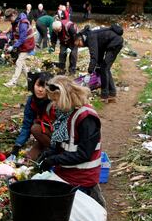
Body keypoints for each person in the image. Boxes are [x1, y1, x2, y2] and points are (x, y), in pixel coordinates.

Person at [35, 76, 105, 206]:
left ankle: (91, 193)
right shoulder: (65, 114)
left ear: (65, 97)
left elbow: (84, 154)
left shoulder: (87, 118)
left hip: (83, 175)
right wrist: (48, 153)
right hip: (66, 171)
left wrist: (54, 160)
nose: (54, 105)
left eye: (55, 100)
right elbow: (62, 144)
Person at [7, 72, 54, 162]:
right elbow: (26, 125)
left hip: (58, 136)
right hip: (46, 135)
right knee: (30, 158)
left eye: (44, 87)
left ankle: (56, 151)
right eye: (38, 85)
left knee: (36, 128)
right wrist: (17, 146)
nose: (40, 89)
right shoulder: (32, 101)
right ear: (33, 85)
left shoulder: (54, 102)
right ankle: (47, 148)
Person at [75, 24, 124, 102]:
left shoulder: (90, 37)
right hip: (112, 43)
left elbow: (94, 55)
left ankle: (105, 95)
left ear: (80, 39)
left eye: (78, 44)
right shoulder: (90, 36)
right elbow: (99, 51)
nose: (79, 47)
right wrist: (97, 65)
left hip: (115, 43)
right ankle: (112, 93)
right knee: (104, 68)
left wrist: (90, 71)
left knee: (104, 68)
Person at [3, 8, 35, 88]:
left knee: (19, 62)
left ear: (13, 15)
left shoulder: (23, 23)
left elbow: (22, 38)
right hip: (22, 45)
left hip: (28, 44)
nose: (9, 21)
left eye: (9, 19)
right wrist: (10, 39)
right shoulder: (15, 21)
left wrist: (13, 46)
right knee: (22, 64)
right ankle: (30, 81)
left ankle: (13, 82)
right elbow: (13, 32)